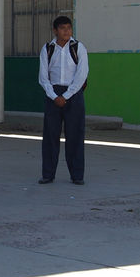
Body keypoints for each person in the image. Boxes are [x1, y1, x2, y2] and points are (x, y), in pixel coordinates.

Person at [38, 16, 89, 185]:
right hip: (52, 94)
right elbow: (43, 77)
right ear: (55, 31)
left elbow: (82, 75)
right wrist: (54, 96)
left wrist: (66, 96)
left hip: (74, 94)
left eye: (69, 28)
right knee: (50, 136)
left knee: (75, 136)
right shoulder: (47, 49)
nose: (66, 31)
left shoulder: (78, 47)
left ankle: (77, 175)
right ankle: (48, 174)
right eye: (62, 28)